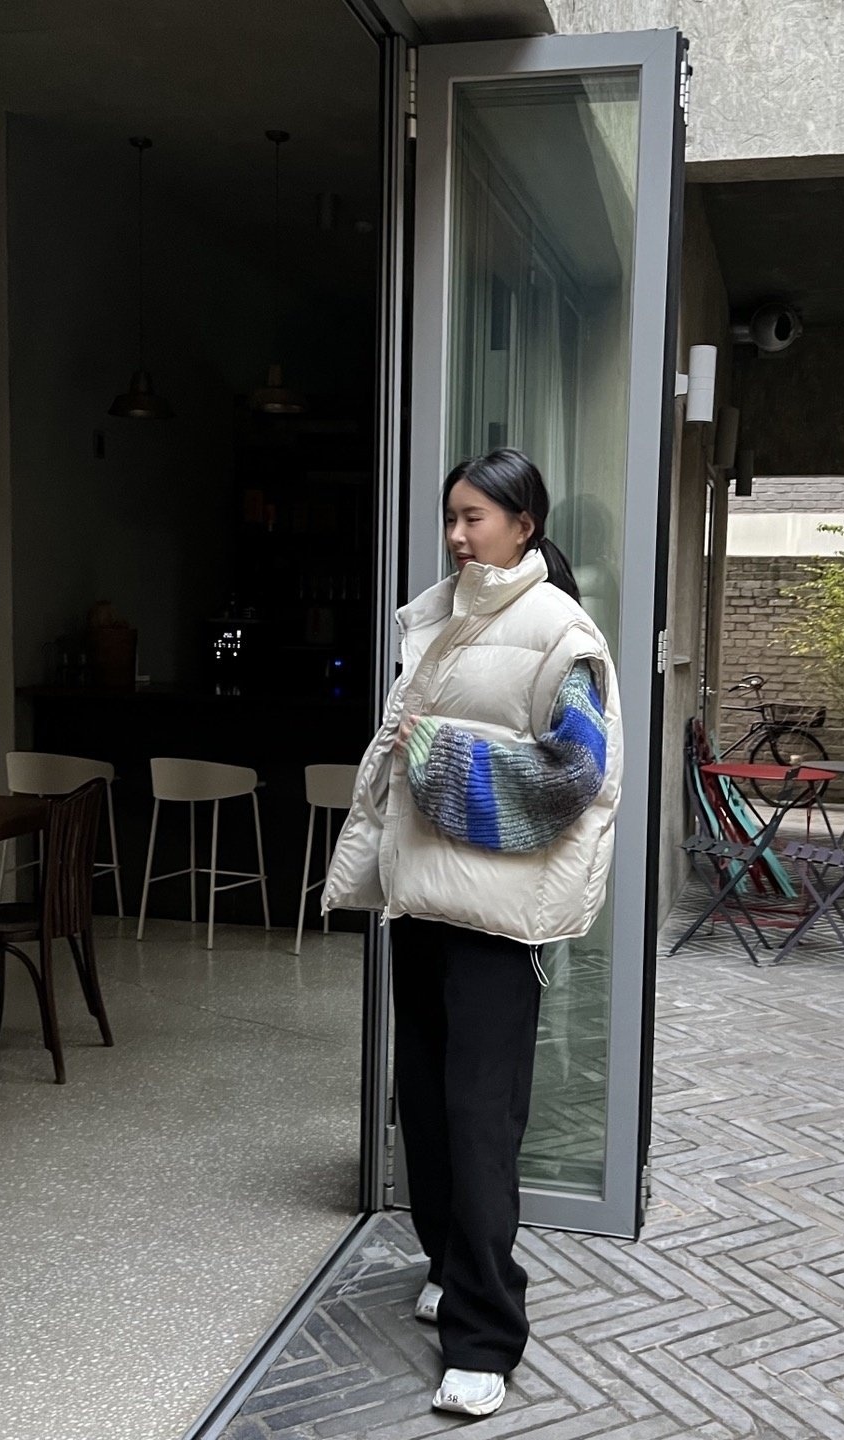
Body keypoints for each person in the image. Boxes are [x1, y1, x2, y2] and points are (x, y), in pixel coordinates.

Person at [323, 448, 623, 1418]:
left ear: (524, 526)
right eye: (450, 516)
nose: (457, 535)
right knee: (426, 1106)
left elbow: (576, 774)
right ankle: (451, 1268)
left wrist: (435, 753)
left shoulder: (559, 631)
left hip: (497, 921)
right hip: (421, 902)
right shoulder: (435, 614)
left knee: (481, 1122)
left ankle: (486, 1337)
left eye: (475, 518)